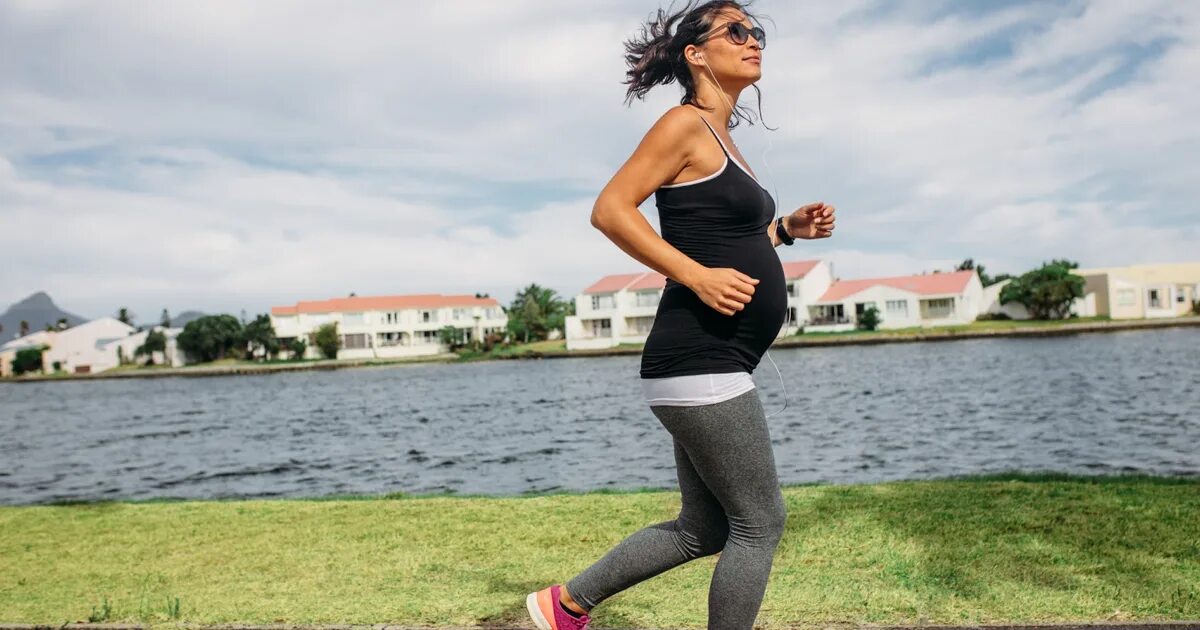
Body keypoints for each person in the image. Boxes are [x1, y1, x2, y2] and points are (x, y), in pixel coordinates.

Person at [526, 1, 836, 628]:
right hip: (700, 357)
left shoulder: (725, 139)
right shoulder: (683, 124)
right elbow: (611, 208)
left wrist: (785, 230)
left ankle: (564, 606)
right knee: (760, 520)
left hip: (703, 362)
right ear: (696, 54)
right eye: (737, 32)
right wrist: (692, 275)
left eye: (758, 33)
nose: (754, 42)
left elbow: (726, 242)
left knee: (705, 528)